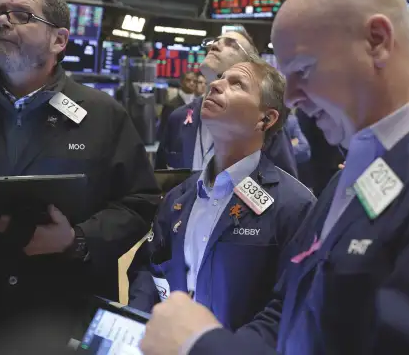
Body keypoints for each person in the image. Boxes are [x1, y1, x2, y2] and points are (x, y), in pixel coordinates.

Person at [139, 0, 409, 355]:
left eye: (303, 69)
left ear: (377, 41)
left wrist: (201, 346)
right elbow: (290, 314)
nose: (291, 98)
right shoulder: (357, 174)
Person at [0, 0, 159, 352]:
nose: (2, 23)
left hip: (63, 316)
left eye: (21, 15)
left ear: (59, 40)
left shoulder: (103, 115)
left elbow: (139, 202)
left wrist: (77, 239)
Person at [128, 59, 315, 332]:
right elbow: (148, 268)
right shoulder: (179, 196)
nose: (214, 85)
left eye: (236, 84)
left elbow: (288, 310)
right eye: (220, 78)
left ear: (266, 118)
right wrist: (138, 326)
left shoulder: (294, 205)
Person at [155, 29, 298, 178]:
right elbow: (160, 181)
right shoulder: (179, 117)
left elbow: (286, 186)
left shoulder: (262, 121)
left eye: (231, 44)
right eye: (215, 40)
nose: (216, 44)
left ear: (248, 64)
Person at [158, 71, 197, 141]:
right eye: (188, 80)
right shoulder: (171, 104)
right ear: (181, 82)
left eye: (194, 81)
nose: (192, 83)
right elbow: (164, 129)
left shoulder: (199, 104)